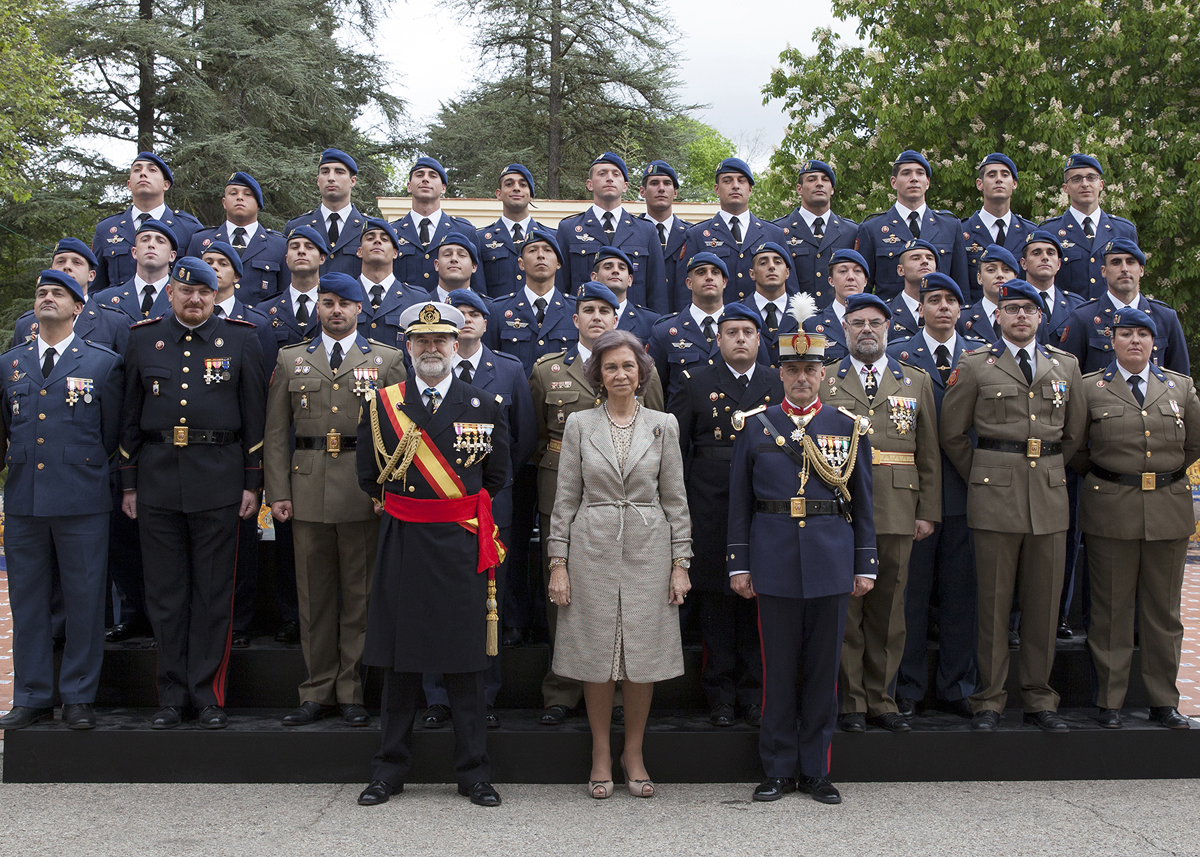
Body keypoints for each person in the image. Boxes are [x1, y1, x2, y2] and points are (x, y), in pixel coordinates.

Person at [355, 301, 509, 808]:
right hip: (404, 541)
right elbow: (366, 476)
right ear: (408, 346)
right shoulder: (383, 404)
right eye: (421, 341)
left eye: (441, 340)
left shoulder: (483, 404)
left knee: (465, 663)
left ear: (456, 344)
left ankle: (473, 773)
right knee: (399, 666)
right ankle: (389, 770)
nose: (431, 348)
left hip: (460, 545)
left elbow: (498, 476)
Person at [727, 320, 877, 804]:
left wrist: (864, 562)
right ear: (780, 371)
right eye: (792, 369)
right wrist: (739, 564)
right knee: (778, 671)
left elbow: (864, 502)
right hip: (773, 558)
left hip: (831, 559)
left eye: (810, 369)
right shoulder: (756, 426)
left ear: (822, 374)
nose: (801, 378)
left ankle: (814, 769)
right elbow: (738, 504)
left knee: (821, 670)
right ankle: (776, 767)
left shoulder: (847, 426)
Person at [118, 257, 266, 729]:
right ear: (171, 294)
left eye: (205, 292)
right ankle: (170, 695)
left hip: (219, 482)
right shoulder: (143, 338)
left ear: (216, 294)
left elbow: (256, 422)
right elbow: (128, 419)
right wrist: (128, 482)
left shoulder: (241, 337)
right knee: (165, 595)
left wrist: (252, 482)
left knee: (212, 595)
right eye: (187, 292)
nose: (196, 299)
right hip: (158, 482)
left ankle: (207, 695)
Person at [547, 328, 692, 799]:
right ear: (598, 375)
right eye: (611, 367)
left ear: (642, 371)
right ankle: (601, 754)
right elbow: (565, 498)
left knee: (641, 657)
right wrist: (558, 562)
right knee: (597, 655)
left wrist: (680, 562)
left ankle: (634, 753)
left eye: (628, 365)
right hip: (592, 547)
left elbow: (675, 499)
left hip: (650, 549)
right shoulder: (579, 425)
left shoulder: (663, 424)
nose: (621, 374)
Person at [940, 279, 1086, 732]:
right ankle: (989, 699)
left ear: (1040, 317)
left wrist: (1046, 468)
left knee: (1043, 605)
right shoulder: (976, 364)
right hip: (994, 493)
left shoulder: (1066, 366)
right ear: (997, 316)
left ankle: (1040, 698)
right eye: (1012, 309)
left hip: (1047, 492)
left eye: (1029, 309)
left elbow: (1075, 433)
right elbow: (953, 433)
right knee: (993, 602)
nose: (1021, 316)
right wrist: (986, 474)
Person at [266, 272, 406, 727]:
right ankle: (316, 689)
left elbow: (402, 434)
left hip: (363, 491)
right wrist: (278, 494)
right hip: (305, 490)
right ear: (318, 308)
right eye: (327, 302)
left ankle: (351, 690)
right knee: (314, 598)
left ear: (361, 309)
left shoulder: (387, 360)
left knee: (360, 596)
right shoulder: (291, 360)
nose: (336, 310)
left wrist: (387, 492)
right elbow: (274, 436)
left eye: (345, 303)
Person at [529, 282, 665, 725]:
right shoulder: (548, 369)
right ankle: (563, 688)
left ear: (617, 317)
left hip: (631, 500)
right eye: (587, 309)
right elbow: (534, 436)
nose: (596, 317)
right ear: (575, 318)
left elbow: (656, 435)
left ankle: (623, 690)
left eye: (605, 310)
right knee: (566, 598)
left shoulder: (643, 368)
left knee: (627, 600)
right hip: (565, 489)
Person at [0, 270, 123, 731]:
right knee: (27, 602)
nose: (47, 297)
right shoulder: (9, 364)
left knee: (84, 601)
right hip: (25, 499)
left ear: (78, 307)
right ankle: (31, 695)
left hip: (81, 500)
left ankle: (78, 695)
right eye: (41, 292)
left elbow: (111, 435)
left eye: (59, 293)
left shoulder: (102, 364)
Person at [1071, 308, 1198, 730]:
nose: (1135, 341)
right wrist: (1113, 476)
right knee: (1111, 610)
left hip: (1167, 509)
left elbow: (1193, 445)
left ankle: (1164, 701)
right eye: (1126, 334)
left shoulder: (1181, 387)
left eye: (1143, 334)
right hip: (1112, 507)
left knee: (1164, 614)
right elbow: (1075, 447)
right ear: (1113, 340)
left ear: (1156, 342)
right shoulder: (1090, 389)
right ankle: (1110, 701)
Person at [821, 293, 940, 732]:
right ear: (845, 328)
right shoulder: (825, 381)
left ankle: (882, 699)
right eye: (857, 323)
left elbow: (929, 453)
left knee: (890, 608)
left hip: (896, 507)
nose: (866, 330)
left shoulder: (916, 382)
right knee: (847, 608)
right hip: (840, 507)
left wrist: (927, 510)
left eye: (875, 323)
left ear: (888, 328)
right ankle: (851, 702)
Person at [421, 288, 536, 729]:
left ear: (487, 324)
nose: (466, 320)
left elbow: (522, 438)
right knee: (435, 601)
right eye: (458, 314)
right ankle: (436, 696)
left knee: (488, 604)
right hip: (434, 509)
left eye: (474, 314)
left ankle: (482, 695)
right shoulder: (428, 369)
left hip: (490, 507)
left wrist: (491, 487)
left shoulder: (507, 370)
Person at [668, 303, 780, 727]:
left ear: (758, 339)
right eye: (730, 332)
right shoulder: (695, 381)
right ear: (718, 339)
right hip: (710, 505)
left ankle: (754, 693)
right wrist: (680, 511)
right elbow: (674, 454)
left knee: (758, 600)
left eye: (747, 332)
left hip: (763, 503)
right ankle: (720, 696)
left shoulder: (776, 382)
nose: (739, 339)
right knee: (716, 601)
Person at [889, 272, 986, 718]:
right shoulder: (897, 358)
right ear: (920, 308)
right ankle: (907, 687)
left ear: (961, 309)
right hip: (914, 498)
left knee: (961, 596)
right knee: (910, 597)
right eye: (934, 300)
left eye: (951, 300)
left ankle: (956, 686)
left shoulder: (984, 358)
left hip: (969, 493)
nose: (943, 307)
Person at [555, 152, 668, 313]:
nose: (609, 178)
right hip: (586, 327)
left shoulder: (646, 231)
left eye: (616, 174)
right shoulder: (569, 229)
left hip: (634, 331)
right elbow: (561, 289)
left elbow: (657, 293)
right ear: (589, 184)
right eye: (602, 173)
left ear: (625, 186)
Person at [1059, 238, 1189, 376]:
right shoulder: (1083, 318)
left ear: (1141, 270)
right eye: (1116, 262)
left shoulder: (1166, 317)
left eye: (1131, 262)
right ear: (1103, 271)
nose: (1124, 269)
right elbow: (1067, 376)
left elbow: (1179, 379)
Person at [856, 150, 969, 302]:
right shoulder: (872, 229)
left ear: (927, 182)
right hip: (892, 319)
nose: (914, 179)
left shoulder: (950, 226)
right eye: (906, 173)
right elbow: (864, 289)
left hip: (939, 318)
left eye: (920, 173)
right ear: (893, 182)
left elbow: (961, 286)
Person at [682, 158, 798, 305]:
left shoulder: (774, 233)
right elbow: (685, 291)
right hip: (716, 323)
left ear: (750, 189)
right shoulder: (697, 235)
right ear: (716, 189)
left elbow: (790, 287)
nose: (735, 186)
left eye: (741, 181)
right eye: (727, 181)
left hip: (763, 323)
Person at [91, 152, 201, 292]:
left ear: (166, 184)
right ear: (129, 184)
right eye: (137, 170)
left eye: (152, 170)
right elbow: (95, 287)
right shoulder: (106, 229)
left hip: (170, 311)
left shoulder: (189, 228)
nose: (143, 173)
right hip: (116, 310)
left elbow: (199, 282)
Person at [1039, 154, 1138, 300]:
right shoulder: (1048, 232)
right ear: (1065, 188)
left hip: (1113, 319)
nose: (1085, 184)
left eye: (1091, 178)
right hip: (1068, 319)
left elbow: (1134, 282)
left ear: (1101, 184)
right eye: (1077, 179)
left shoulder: (1124, 230)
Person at [10, 238, 130, 354]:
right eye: (60, 261)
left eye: (76, 262)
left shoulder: (113, 323)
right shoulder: (26, 324)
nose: (67, 267)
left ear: (91, 275)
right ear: (51, 270)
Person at [187, 171, 289, 305]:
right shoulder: (200, 241)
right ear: (224, 202)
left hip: (260, 323)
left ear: (258, 203)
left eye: (247, 194)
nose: (240, 198)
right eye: (233, 193)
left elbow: (285, 294)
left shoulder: (279, 245)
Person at [486, 230, 577, 375]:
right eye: (533, 250)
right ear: (521, 264)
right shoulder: (498, 311)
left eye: (547, 250)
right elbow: (489, 364)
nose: (540, 255)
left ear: (559, 263)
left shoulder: (575, 310)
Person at [774, 160, 857, 308]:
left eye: (825, 179)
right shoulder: (777, 230)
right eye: (811, 179)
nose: (819, 184)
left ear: (832, 189)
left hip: (840, 320)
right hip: (794, 322)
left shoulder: (851, 231)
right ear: (799, 189)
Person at [389, 157, 479, 288]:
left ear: (443, 188)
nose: (425, 179)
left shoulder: (465, 231)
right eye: (419, 175)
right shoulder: (392, 233)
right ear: (409, 186)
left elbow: (477, 286)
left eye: (433, 175)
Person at [648, 252, 727, 399]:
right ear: (689, 283)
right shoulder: (664, 331)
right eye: (701, 272)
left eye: (715, 272)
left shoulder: (742, 327)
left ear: (724, 282)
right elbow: (654, 390)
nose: (709, 277)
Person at [284, 148, 367, 277]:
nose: (331, 178)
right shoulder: (297, 226)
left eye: (339, 172)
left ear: (353, 181)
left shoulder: (369, 228)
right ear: (318, 180)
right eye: (325, 172)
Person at [355, 218, 431, 351]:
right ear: (359, 251)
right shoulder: (343, 297)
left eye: (384, 239)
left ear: (395, 253)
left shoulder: (417, 299)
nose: (377, 241)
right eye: (370, 238)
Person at [962, 153, 1036, 286]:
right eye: (991, 175)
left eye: (1005, 174)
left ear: (1014, 183)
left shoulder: (1030, 233)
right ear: (980, 184)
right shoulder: (962, 232)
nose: (999, 179)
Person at [474, 163, 545, 297]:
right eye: (509, 184)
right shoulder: (480, 239)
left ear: (531, 195)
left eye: (523, 185)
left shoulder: (550, 238)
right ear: (498, 194)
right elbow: (479, 291)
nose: (516, 188)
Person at [94, 218, 178, 322]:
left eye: (160, 241)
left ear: (172, 256)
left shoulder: (182, 298)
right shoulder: (105, 299)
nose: (151, 245)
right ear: (134, 252)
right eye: (145, 240)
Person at [638, 160, 692, 313]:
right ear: (642, 192)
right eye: (654, 183)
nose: (661, 188)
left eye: (667, 183)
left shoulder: (691, 234)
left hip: (682, 321)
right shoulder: (629, 233)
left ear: (675, 192)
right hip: (640, 322)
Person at [802, 248, 868, 365]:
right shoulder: (812, 324)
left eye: (857, 271)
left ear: (865, 281)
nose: (851, 277)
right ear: (831, 280)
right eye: (843, 271)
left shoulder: (880, 321)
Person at [1018, 231, 1084, 346]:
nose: (1045, 258)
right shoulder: (1011, 304)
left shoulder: (1076, 306)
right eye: (1037, 253)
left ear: (1058, 264)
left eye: (1050, 253)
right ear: (1024, 263)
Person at [740, 242, 797, 369]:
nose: (771, 266)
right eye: (763, 263)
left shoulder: (805, 313)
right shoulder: (738, 313)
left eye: (778, 262)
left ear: (787, 272)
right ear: (752, 274)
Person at [592, 246, 660, 344]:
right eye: (608, 267)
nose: (615, 271)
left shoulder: (650, 321)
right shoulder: (582, 317)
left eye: (622, 268)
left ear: (630, 280)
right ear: (594, 277)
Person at [958, 243, 1018, 346]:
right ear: (979, 278)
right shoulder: (961, 318)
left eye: (1006, 270)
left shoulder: (1029, 316)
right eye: (991, 270)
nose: (1000, 275)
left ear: (1015, 277)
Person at [886, 238, 939, 341]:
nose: (925, 261)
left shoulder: (947, 310)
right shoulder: (886, 312)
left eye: (930, 258)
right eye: (916, 258)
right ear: (901, 270)